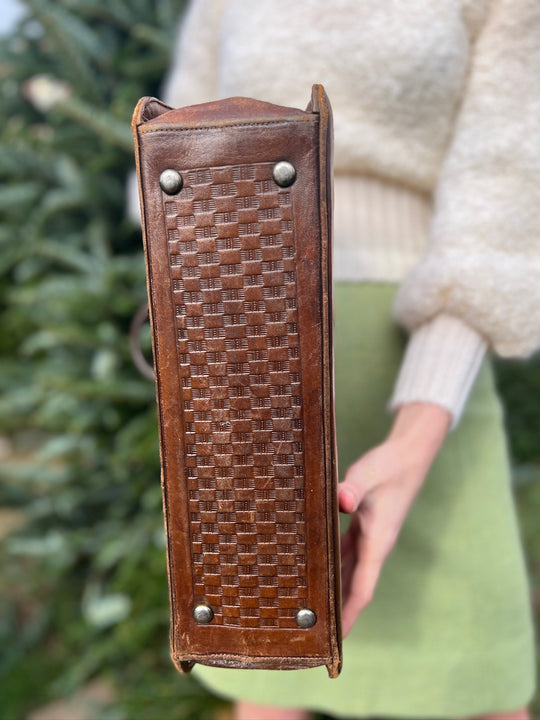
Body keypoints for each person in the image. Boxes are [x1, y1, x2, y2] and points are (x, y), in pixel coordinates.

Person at [148, 1, 540, 717]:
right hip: (251, 359)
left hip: (427, 361)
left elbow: (505, 186)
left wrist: (422, 425)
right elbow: (168, 168)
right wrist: (205, 362)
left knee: (483, 682)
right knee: (266, 682)